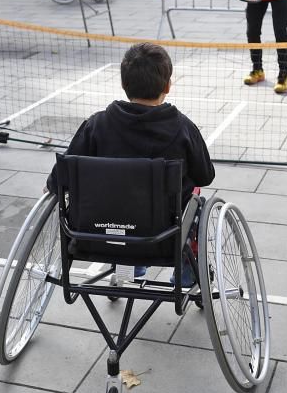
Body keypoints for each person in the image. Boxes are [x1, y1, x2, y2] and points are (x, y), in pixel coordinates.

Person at [45, 42, 216, 284]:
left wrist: (51, 186)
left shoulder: (97, 125)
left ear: (124, 85)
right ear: (167, 85)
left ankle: (129, 264)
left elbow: (61, 177)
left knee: (123, 203)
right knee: (196, 198)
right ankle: (187, 269)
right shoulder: (182, 128)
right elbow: (205, 176)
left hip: (99, 234)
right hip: (162, 238)